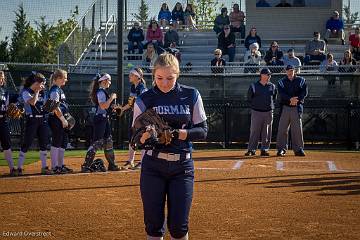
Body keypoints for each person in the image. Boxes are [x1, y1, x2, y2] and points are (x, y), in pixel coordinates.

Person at [133, 53, 207, 240]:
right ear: (153, 75)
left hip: (182, 168)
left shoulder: (191, 95)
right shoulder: (145, 99)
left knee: (179, 227)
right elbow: (134, 140)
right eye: (159, 78)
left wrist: (179, 134)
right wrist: (147, 137)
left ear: (178, 75)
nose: (164, 83)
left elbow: (203, 131)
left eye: (170, 78)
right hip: (153, 166)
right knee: (154, 225)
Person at [81, 73, 121, 172]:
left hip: (104, 119)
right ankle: (86, 165)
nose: (110, 83)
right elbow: (103, 106)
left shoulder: (103, 92)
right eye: (109, 80)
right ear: (103, 81)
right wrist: (111, 98)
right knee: (97, 142)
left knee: (108, 141)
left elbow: (106, 107)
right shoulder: (100, 92)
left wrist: (114, 108)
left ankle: (112, 164)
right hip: (100, 119)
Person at [17, 72, 51, 176]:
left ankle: (44, 167)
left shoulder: (43, 92)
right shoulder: (26, 91)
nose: (43, 86)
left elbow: (45, 105)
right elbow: (32, 102)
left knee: (44, 143)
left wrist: (51, 107)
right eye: (41, 83)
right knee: (27, 143)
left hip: (42, 120)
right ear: (36, 83)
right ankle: (19, 167)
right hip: (32, 120)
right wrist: (36, 92)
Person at [276, 65, 308, 157]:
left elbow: (304, 92)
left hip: (297, 107)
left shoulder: (301, 80)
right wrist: (290, 99)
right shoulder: (281, 82)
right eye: (288, 71)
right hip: (285, 107)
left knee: (297, 129)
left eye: (291, 70)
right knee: (282, 129)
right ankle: (281, 149)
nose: (290, 72)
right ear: (285, 71)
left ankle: (298, 149)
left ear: (294, 71)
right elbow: (282, 94)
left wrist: (296, 100)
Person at [245, 68, 277, 156]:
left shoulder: (272, 86)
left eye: (269, 75)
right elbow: (249, 98)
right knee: (254, 131)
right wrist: (256, 105)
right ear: (262, 75)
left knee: (266, 132)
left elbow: (274, 98)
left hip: (268, 112)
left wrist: (270, 106)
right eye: (268, 74)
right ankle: (251, 150)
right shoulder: (254, 86)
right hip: (256, 112)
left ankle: (264, 149)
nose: (269, 76)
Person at [48, 69, 73, 174]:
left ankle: (60, 165)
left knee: (63, 142)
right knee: (57, 141)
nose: (66, 80)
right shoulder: (54, 90)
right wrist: (62, 119)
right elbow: (54, 107)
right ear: (58, 78)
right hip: (56, 118)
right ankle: (54, 166)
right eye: (64, 78)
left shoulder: (59, 90)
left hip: (61, 118)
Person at [123, 68, 148, 169]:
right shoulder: (133, 87)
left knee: (142, 138)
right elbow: (131, 103)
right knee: (132, 138)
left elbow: (143, 102)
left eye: (132, 74)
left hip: (142, 117)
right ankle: (130, 161)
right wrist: (122, 108)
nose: (130, 76)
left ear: (138, 77)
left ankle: (143, 162)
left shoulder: (142, 88)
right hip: (135, 115)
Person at [0, 71, 16, 176]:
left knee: (7, 144)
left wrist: (11, 110)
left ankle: (12, 168)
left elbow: (6, 106)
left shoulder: (4, 91)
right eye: (0, 77)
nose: (1, 79)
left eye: (2, 77)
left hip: (3, 120)